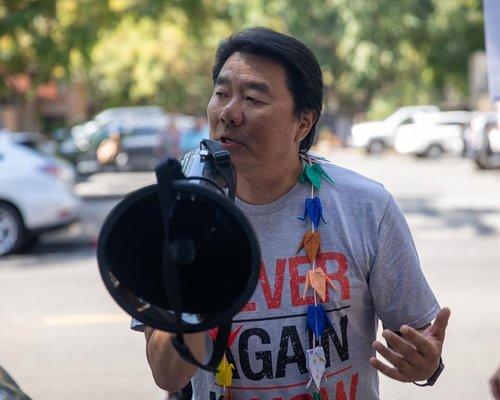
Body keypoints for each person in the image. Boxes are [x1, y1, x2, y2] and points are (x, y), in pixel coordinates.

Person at [134, 28, 450, 399]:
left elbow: (416, 337)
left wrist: (426, 366)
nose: (229, 113)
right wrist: (192, 269)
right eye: (221, 94)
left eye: (253, 98)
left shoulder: (367, 207)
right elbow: (167, 376)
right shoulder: (178, 214)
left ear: (303, 122)